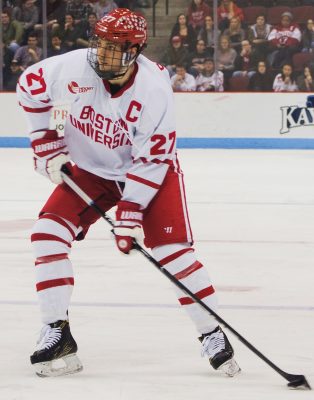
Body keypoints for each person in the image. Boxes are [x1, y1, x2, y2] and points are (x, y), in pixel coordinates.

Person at [17, 8, 240, 378]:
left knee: (172, 255)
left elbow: (152, 158)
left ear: (134, 51)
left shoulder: (153, 90)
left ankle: (211, 332)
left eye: (114, 48)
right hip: (90, 171)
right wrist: (47, 143)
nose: (102, 54)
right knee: (47, 235)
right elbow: (36, 91)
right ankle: (57, 330)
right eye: (100, 44)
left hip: (148, 171)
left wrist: (130, 214)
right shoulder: (71, 69)